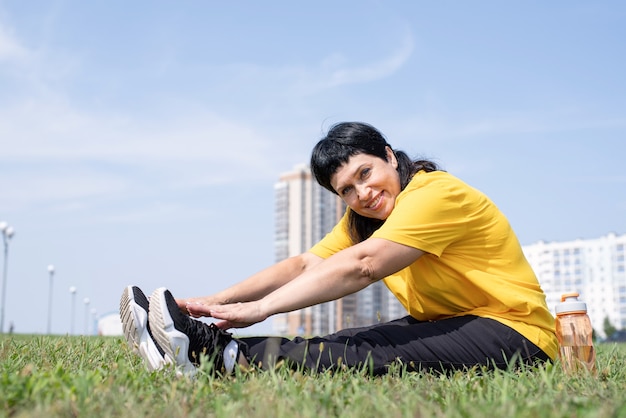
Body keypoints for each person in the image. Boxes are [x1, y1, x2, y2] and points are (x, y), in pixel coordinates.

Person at [120, 121, 558, 377]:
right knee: (343, 340)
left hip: (517, 333)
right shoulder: (365, 220)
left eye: (366, 174)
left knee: (369, 354)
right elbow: (304, 264)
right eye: (347, 189)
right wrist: (214, 301)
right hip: (451, 322)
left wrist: (261, 309)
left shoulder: (434, 194)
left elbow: (365, 264)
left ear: (389, 155)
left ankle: (215, 356)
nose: (362, 193)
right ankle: (194, 343)